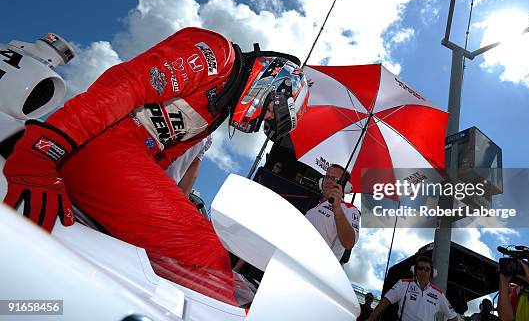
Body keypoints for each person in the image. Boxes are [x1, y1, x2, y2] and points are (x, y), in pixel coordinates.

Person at [2, 27, 310, 304]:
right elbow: (126, 86)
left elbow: (161, 158)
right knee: (206, 253)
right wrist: (43, 148)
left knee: (186, 246)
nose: (264, 121)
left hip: (111, 158)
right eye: (272, 113)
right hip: (96, 140)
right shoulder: (217, 53)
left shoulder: (214, 115)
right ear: (275, 82)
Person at [367, 256, 458, 321]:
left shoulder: (439, 294)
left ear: (431, 272)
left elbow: (453, 317)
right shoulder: (403, 284)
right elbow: (384, 302)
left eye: (427, 269)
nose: (423, 271)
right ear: (414, 270)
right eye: (420, 268)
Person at [305, 164, 360, 261]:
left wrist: (337, 208)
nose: (329, 181)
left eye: (335, 179)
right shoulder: (316, 207)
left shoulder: (350, 209)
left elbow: (349, 242)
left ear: (345, 187)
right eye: (327, 177)